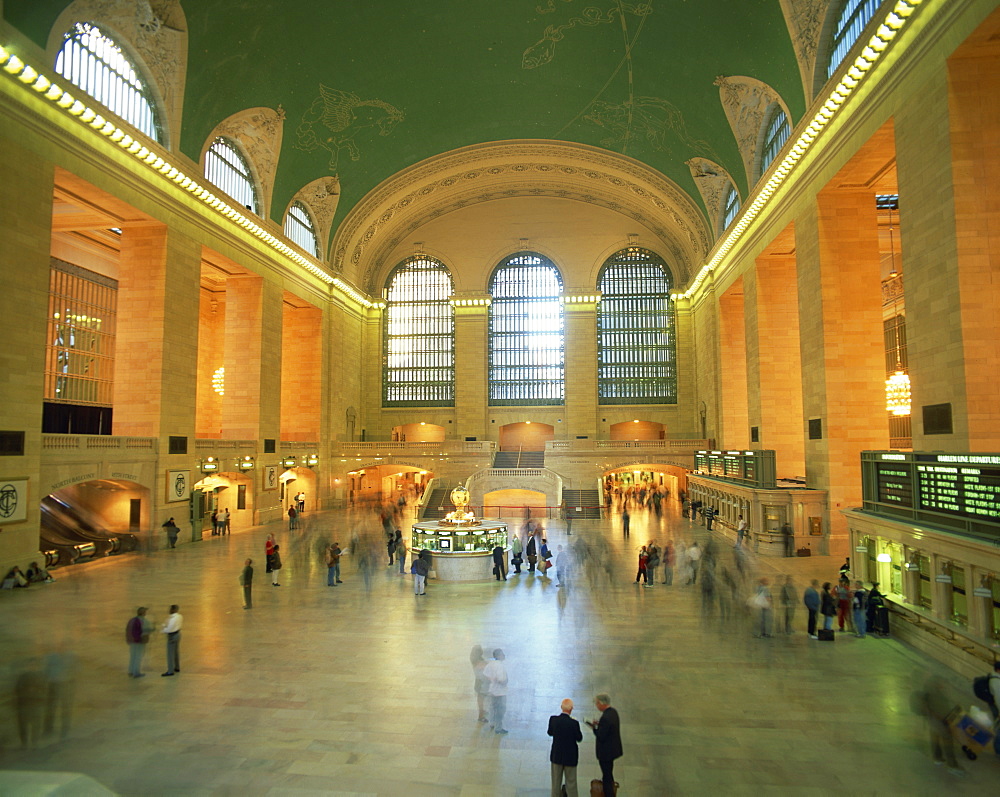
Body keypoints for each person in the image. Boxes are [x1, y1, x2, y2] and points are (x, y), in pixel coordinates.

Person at [919, 675, 964, 776]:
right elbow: (942, 711)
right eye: (942, 683)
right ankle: (952, 766)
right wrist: (949, 720)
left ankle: (937, 758)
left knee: (934, 737)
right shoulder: (936, 695)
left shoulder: (928, 689)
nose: (944, 685)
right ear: (937, 683)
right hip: (939, 721)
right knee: (947, 740)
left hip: (931, 720)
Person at [585, 694, 622, 796]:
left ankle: (609, 793)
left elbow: (601, 735)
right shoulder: (613, 712)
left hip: (606, 752)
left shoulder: (605, 717)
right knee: (609, 772)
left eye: (597, 703)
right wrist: (600, 724)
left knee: (606, 776)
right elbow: (609, 728)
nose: (596, 706)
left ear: (602, 703)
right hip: (613, 750)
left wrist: (594, 728)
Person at [548, 698, 583, 797]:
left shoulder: (553, 720)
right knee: (571, 783)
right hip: (570, 757)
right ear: (571, 709)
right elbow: (579, 738)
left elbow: (550, 732)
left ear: (561, 707)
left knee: (555, 783)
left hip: (556, 756)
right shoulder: (574, 723)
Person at [482, 649, 508, 734]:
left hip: (492, 690)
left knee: (492, 708)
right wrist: (505, 681)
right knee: (500, 710)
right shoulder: (500, 666)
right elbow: (501, 679)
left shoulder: (491, 664)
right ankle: (498, 728)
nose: (504, 655)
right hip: (499, 692)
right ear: (499, 655)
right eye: (502, 654)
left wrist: (492, 680)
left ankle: (491, 723)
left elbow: (485, 674)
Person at [125, 606, 151, 677]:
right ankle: (136, 672)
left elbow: (127, 630)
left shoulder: (132, 620)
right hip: (139, 641)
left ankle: (131, 671)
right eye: (145, 612)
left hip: (132, 641)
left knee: (133, 656)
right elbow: (146, 630)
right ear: (143, 613)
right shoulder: (144, 621)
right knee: (138, 656)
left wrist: (128, 639)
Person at [161, 604, 182, 676]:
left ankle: (170, 670)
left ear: (173, 610)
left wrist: (163, 629)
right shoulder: (180, 616)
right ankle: (177, 667)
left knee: (170, 653)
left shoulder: (172, 619)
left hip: (172, 636)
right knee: (176, 651)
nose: (169, 610)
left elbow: (169, 629)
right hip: (178, 634)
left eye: (170, 609)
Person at [470, 645, 489, 723]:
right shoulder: (479, 663)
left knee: (481, 699)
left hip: (479, 683)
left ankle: (482, 711)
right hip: (481, 684)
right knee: (481, 699)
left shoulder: (475, 660)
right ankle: (481, 716)